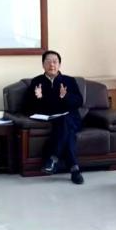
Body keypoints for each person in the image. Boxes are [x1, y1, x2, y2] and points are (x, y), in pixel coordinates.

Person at [21, 50, 86, 185]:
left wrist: (65, 96)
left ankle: (53, 158)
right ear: (43, 65)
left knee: (65, 122)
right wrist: (37, 98)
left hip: (71, 118)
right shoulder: (37, 82)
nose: (52, 65)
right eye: (48, 62)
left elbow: (79, 102)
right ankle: (74, 170)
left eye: (55, 62)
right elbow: (26, 107)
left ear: (59, 64)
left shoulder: (69, 81)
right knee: (68, 134)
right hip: (52, 119)